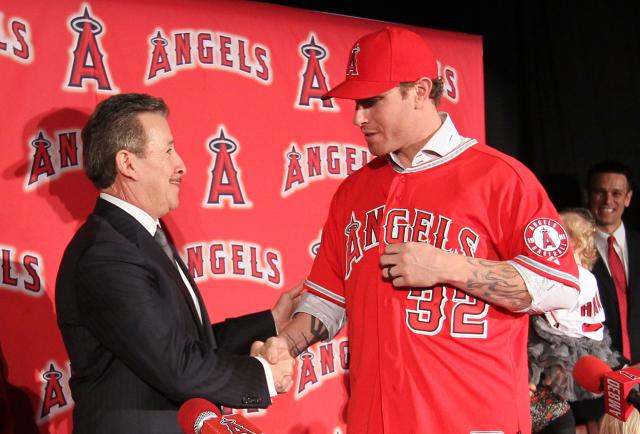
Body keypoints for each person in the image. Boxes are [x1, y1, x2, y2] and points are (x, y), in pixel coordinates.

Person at [255, 26, 580, 433]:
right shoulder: (353, 191)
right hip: (375, 422)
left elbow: (561, 285)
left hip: (472, 422)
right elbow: (327, 300)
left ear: (420, 91)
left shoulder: (500, 177)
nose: (358, 117)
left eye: (372, 102)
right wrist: (285, 344)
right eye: (357, 103)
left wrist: (452, 267)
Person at [55, 93, 296, 434]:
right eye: (168, 151)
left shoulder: (138, 238)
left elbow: (186, 345)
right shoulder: (107, 253)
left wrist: (270, 321)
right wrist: (265, 375)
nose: (180, 164)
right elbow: (176, 365)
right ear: (128, 163)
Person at [529, 208, 618, 434]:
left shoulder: (576, 278)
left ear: (576, 243)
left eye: (561, 236)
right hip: (560, 356)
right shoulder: (584, 277)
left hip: (561, 347)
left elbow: (533, 302)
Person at [572, 161, 640, 428]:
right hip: (596, 389)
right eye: (600, 192)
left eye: (616, 193)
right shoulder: (571, 252)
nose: (608, 200)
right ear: (588, 195)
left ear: (629, 197)